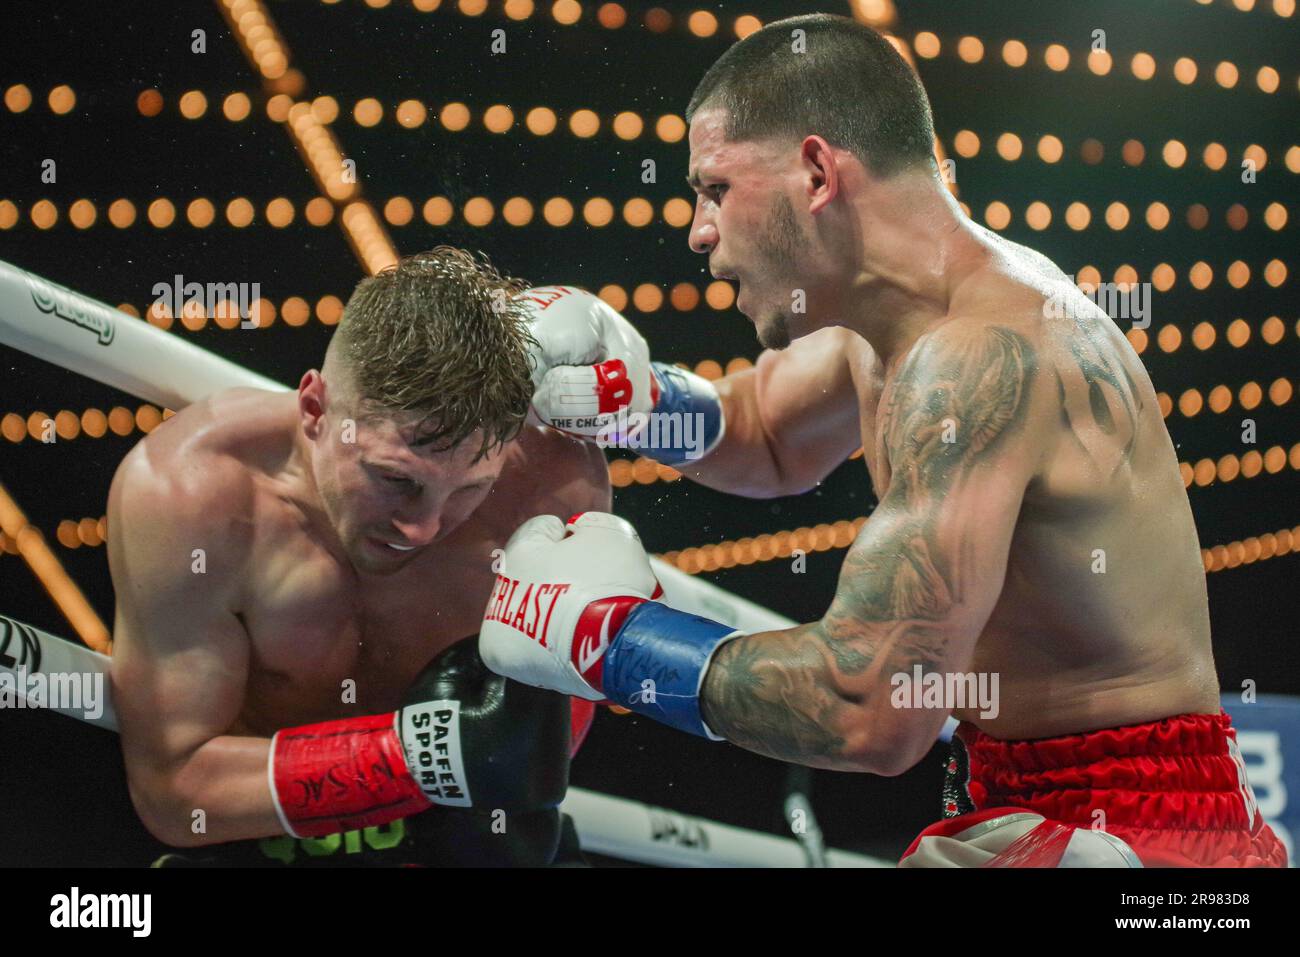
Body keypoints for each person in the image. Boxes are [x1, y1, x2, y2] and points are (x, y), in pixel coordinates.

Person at [487, 15, 1285, 867]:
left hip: (1141, 834)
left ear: (817, 172)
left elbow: (870, 702)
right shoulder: (880, 327)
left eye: (714, 188)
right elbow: (763, 434)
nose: (698, 230)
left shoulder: (982, 353)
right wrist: (634, 403)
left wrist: (610, 640)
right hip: (1025, 802)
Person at [107, 247, 608, 865]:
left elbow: (570, 674)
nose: (423, 527)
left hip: (472, 835)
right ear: (315, 410)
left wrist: (504, 749)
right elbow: (175, 791)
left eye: (472, 488)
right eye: (396, 480)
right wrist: (422, 759)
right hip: (270, 845)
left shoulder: (552, 479)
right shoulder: (195, 495)